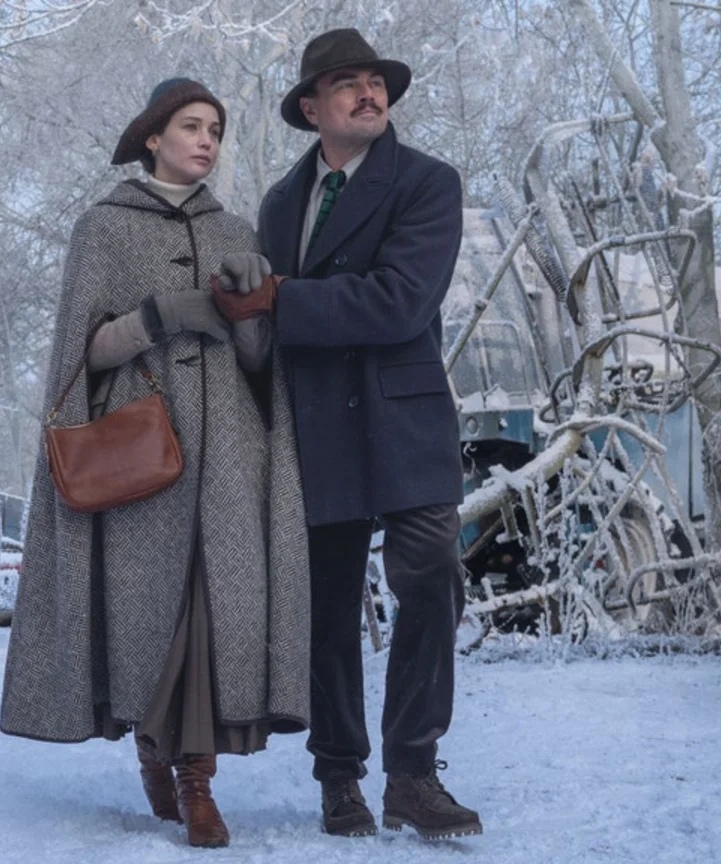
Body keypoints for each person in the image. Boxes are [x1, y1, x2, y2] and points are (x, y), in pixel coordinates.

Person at [0, 78, 311, 849]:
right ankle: (153, 749)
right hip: (142, 453)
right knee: (154, 616)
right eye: (191, 127)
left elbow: (260, 364)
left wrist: (248, 312)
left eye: (216, 129)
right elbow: (82, 352)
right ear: (153, 137)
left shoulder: (236, 227)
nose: (207, 141)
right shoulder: (102, 229)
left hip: (233, 454)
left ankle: (195, 777)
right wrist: (154, 317)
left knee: (214, 612)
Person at [211, 28, 483, 840]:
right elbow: (262, 324)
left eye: (377, 81)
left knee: (431, 580)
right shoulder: (279, 203)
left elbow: (401, 302)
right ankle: (340, 779)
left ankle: (413, 772)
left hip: (405, 423)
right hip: (315, 428)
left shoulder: (429, 183)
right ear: (311, 106)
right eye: (347, 84)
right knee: (325, 610)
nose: (370, 93)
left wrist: (282, 301)